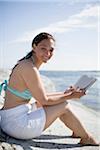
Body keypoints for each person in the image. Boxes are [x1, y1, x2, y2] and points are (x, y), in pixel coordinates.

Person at [0, 32, 98, 145]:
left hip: (10, 119)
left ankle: (77, 130)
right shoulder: (29, 68)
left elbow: (42, 96)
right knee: (63, 105)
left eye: (51, 50)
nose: (48, 53)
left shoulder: (26, 64)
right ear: (34, 46)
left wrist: (65, 93)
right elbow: (44, 100)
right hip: (16, 126)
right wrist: (71, 96)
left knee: (59, 102)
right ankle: (86, 138)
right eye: (43, 48)